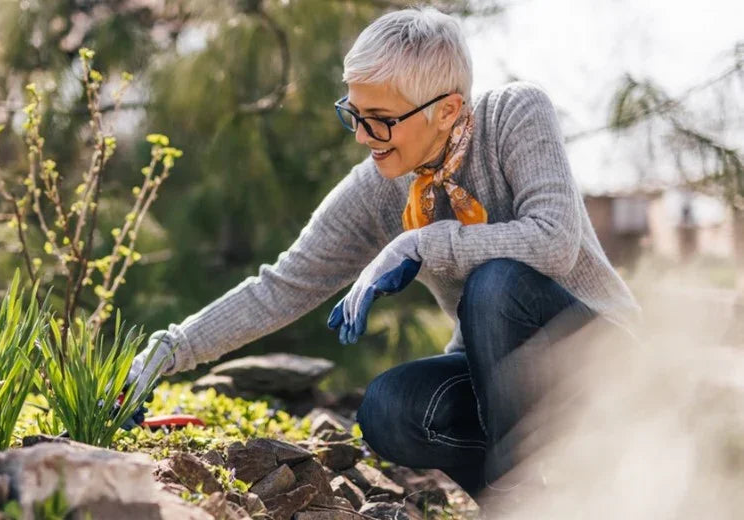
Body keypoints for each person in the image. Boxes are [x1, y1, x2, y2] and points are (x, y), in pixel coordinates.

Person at [125, 5, 640, 504]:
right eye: (353, 114)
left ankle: (520, 495)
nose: (364, 137)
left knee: (496, 281)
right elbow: (282, 285)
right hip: (499, 387)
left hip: (604, 364)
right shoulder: (379, 187)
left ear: (448, 111)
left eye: (380, 120)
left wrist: (422, 242)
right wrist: (168, 351)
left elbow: (552, 240)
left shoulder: (515, 114)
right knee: (390, 409)